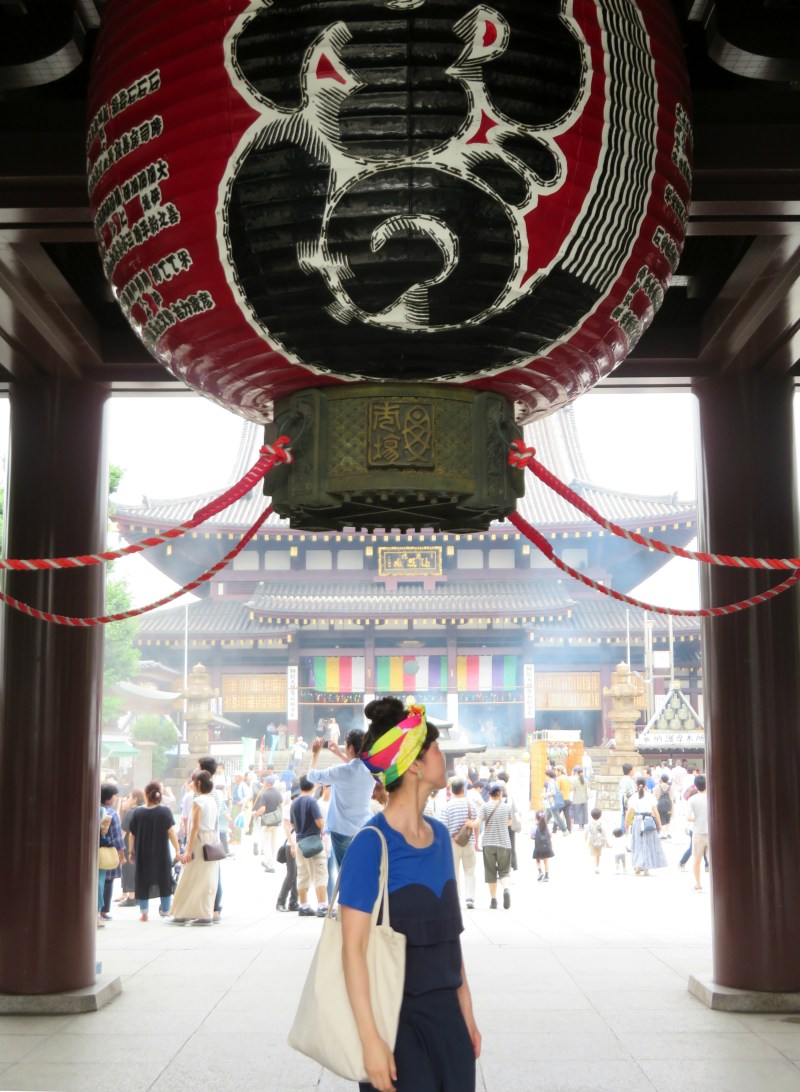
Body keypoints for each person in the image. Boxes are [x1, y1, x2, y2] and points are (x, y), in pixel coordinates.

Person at [339, 697, 480, 1092]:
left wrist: (466, 1012)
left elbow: (450, 936)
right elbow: (352, 949)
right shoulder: (371, 845)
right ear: (414, 763)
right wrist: (371, 1041)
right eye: (434, 745)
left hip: (449, 1023)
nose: (442, 753)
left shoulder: (439, 840)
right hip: (395, 1023)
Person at [306, 729, 376, 868]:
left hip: (342, 830)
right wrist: (339, 754)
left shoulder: (341, 771)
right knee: (361, 869)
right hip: (365, 827)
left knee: (345, 872)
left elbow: (311, 776)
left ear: (350, 747)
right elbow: (356, 766)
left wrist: (315, 754)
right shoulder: (372, 770)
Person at [170, 769, 220, 925]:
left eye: (192, 781)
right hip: (210, 839)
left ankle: (184, 913)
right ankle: (204, 912)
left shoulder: (198, 801)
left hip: (199, 841)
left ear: (198, 783)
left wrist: (188, 850)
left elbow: (194, 827)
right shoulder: (212, 800)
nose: (190, 784)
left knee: (190, 877)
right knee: (206, 878)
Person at [128, 781, 180, 921]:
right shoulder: (164, 811)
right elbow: (171, 832)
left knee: (142, 880)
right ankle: (165, 911)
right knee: (164, 880)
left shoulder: (138, 812)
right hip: (161, 854)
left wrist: (131, 852)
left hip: (142, 853)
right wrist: (178, 849)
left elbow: (132, 834)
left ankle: (144, 913)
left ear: (146, 794)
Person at [290, 776, 328, 917]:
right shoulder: (312, 801)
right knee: (320, 874)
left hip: (300, 842)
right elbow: (319, 822)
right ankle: (323, 906)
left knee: (303, 875)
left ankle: (304, 906)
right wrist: (324, 826)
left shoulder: (295, 802)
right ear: (313, 786)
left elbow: (293, 824)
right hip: (313, 842)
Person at [473, 782, 513, 909]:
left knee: (490, 871)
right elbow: (509, 823)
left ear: (489, 794)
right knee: (504, 871)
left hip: (488, 843)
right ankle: (506, 889)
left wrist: (469, 824)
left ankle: (494, 900)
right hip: (504, 843)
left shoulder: (485, 807)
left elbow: (477, 823)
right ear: (500, 794)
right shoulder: (507, 807)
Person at [441, 778, 477, 911]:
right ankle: (470, 898)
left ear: (451, 790)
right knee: (470, 871)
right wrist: (476, 841)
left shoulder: (447, 806)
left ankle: (456, 899)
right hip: (469, 842)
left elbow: (444, 828)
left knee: (454, 872)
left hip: (452, 843)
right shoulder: (471, 805)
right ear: (463, 790)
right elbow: (476, 824)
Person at [626, 777, 668, 876]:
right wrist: (659, 824)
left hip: (637, 821)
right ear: (645, 785)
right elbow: (655, 811)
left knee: (638, 844)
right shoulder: (650, 796)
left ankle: (638, 865)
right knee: (648, 844)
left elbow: (629, 811)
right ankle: (646, 868)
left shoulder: (634, 797)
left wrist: (626, 822)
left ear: (636, 786)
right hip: (648, 820)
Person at [99, 783, 125, 921]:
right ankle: (103, 911)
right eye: (115, 796)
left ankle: (97, 909)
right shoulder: (111, 813)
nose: (116, 798)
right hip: (107, 851)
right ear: (109, 798)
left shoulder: (93, 808)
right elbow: (117, 837)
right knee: (107, 881)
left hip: (94, 850)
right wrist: (122, 855)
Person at [276, 779, 300, 913]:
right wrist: (291, 844)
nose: (297, 797)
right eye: (295, 795)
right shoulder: (289, 808)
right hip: (290, 844)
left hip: (296, 843)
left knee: (295, 874)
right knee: (291, 874)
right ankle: (280, 902)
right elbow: (286, 827)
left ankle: (293, 902)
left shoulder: (299, 805)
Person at [118, 789, 144, 907]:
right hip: (142, 845)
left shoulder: (129, 813)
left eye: (129, 798)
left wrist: (117, 847)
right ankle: (137, 896)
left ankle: (131, 896)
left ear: (134, 799)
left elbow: (123, 832)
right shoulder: (143, 811)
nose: (127, 800)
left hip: (129, 845)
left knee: (128, 869)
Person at [253, 774, 283, 872]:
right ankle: (270, 862)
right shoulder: (278, 793)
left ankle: (270, 865)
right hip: (276, 822)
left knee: (266, 844)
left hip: (266, 822)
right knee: (273, 844)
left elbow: (262, 809)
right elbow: (281, 807)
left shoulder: (264, 794)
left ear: (267, 783)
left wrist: (256, 814)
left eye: (265, 781)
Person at [686, 774, 710, 891]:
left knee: (697, 859)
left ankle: (698, 883)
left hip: (698, 832)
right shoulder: (713, 797)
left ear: (696, 785)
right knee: (712, 860)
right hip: (711, 832)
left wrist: (697, 818)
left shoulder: (692, 799)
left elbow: (688, 817)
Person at [531, 810, 554, 881]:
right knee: (546, 861)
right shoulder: (548, 827)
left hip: (538, 848)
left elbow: (532, 836)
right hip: (547, 848)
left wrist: (536, 838)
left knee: (538, 860)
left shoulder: (535, 827)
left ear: (536, 818)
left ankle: (540, 871)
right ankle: (547, 875)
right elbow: (550, 835)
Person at [586, 807, 610, 873]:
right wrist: (607, 844)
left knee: (594, 854)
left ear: (591, 815)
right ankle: (597, 867)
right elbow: (604, 835)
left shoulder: (590, 824)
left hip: (592, 842)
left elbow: (586, 832)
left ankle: (595, 867)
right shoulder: (601, 824)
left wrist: (585, 839)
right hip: (600, 842)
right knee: (598, 855)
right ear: (600, 816)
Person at [655, 773, 673, 838]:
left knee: (661, 818)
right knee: (667, 818)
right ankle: (668, 832)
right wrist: (672, 809)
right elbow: (672, 798)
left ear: (661, 779)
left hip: (660, 804)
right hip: (668, 804)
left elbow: (655, 797)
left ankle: (663, 834)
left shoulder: (657, 786)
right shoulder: (670, 787)